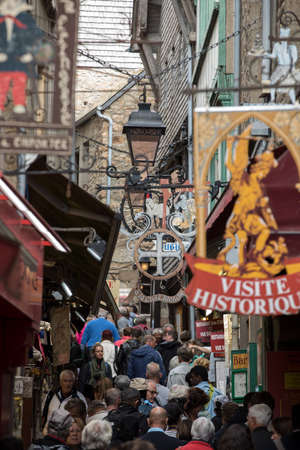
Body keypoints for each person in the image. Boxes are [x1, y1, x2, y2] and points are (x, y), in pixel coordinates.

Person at [42, 369, 87, 435]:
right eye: (65, 381)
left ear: (74, 382)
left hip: (69, 436)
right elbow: (44, 414)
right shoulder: (51, 395)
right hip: (50, 435)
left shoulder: (80, 398)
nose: (68, 384)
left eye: (70, 381)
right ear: (60, 382)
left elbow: (84, 419)